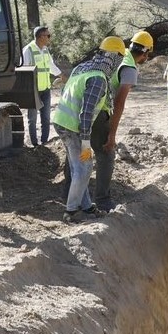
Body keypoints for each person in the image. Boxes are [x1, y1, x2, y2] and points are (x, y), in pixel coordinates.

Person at [53, 36, 126, 222]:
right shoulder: (98, 78)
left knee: (78, 167)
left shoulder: (81, 69)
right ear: (114, 58)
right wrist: (86, 140)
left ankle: (86, 207)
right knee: (84, 167)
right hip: (73, 128)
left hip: (62, 122)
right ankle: (71, 211)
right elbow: (86, 114)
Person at [91, 29, 152, 212]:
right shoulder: (130, 68)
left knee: (78, 149)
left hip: (86, 104)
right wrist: (112, 134)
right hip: (99, 110)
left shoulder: (120, 54)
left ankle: (67, 192)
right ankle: (102, 200)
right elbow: (119, 103)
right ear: (146, 52)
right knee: (106, 154)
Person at [21, 25, 58, 147]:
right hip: (33, 91)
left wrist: (61, 75)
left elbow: (51, 66)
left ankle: (44, 142)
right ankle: (34, 144)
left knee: (46, 118)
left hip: (46, 89)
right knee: (32, 119)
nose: (49, 38)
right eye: (48, 35)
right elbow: (24, 71)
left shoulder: (45, 50)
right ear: (40, 37)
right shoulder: (28, 50)